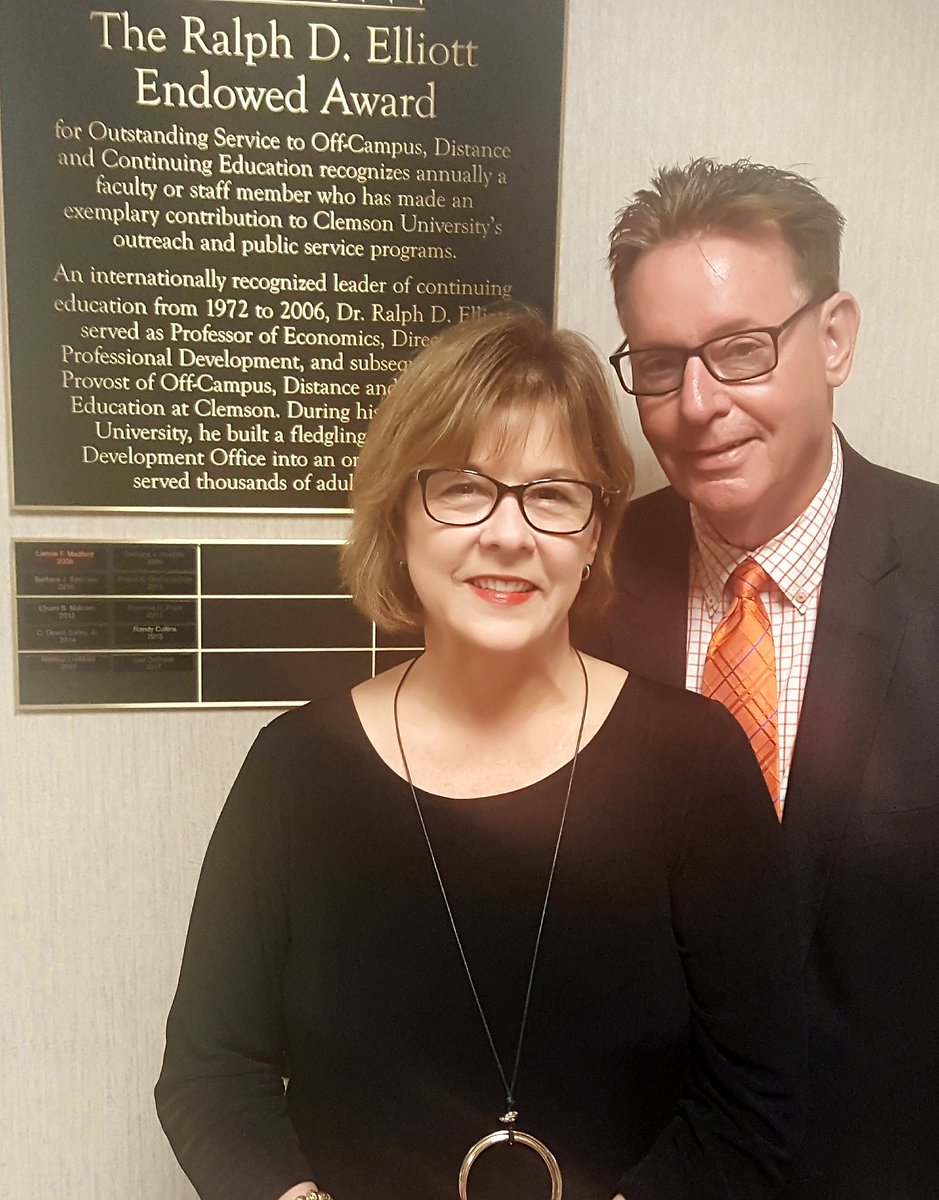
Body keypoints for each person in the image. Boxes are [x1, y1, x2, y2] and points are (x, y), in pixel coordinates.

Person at [155, 310, 804, 1200]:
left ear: (591, 534)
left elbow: (762, 1090)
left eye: (552, 493)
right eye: (463, 487)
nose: (508, 533)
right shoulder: (292, 772)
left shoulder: (692, 762)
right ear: (398, 513)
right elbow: (209, 1074)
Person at [593, 158, 939, 1199]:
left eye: (741, 351)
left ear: (833, 338)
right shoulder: (589, 583)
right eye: (658, 365)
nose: (699, 405)